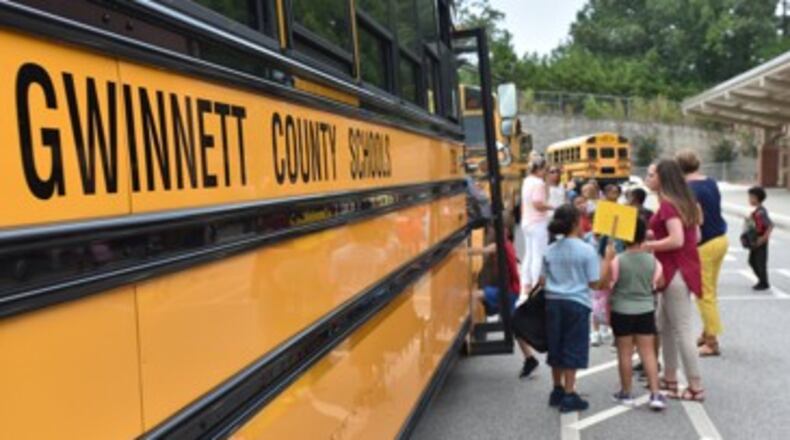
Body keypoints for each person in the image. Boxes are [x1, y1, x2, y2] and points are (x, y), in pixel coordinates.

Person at [643, 160, 705, 402]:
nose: (647, 178)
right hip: (681, 269)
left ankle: (696, 387)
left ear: (662, 178)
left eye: (650, 175)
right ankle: (670, 380)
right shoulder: (683, 201)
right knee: (666, 326)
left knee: (681, 330)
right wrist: (653, 236)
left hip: (674, 270)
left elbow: (677, 239)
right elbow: (695, 235)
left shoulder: (668, 204)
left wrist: (647, 245)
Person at [543, 204, 614, 413]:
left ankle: (556, 389)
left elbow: (541, 279)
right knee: (573, 346)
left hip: (552, 302)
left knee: (555, 345)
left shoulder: (550, 249)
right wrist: (608, 261)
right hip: (576, 303)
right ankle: (569, 393)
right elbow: (595, 284)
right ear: (575, 222)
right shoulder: (586, 250)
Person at [609, 218, 667, 411]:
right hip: (645, 309)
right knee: (648, 353)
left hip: (621, 310)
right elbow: (659, 283)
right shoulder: (653, 261)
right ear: (644, 236)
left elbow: (610, 284)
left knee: (624, 353)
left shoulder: (618, 260)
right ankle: (656, 394)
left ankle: (626, 393)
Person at [470, 222, 540, 378]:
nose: (490, 231)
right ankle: (530, 358)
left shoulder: (500, 245)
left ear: (505, 230)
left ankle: (469, 328)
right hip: (511, 291)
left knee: (474, 295)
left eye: (493, 229)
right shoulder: (508, 244)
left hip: (507, 292)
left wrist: (461, 251)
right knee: (516, 327)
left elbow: (482, 251)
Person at [676, 150, 728, 356]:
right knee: (711, 291)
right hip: (721, 239)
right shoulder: (711, 182)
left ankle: (712, 342)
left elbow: (696, 219)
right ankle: (707, 333)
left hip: (704, 244)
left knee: (703, 294)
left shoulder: (687, 189)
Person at [520, 158, 552, 292]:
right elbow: (538, 204)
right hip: (538, 222)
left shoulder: (527, 181)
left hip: (527, 221)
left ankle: (526, 282)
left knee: (529, 253)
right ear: (539, 169)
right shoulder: (538, 183)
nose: (546, 172)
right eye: (545, 169)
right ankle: (535, 284)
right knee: (538, 255)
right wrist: (553, 207)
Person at [747, 186, 773, 290]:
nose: (749, 200)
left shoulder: (761, 212)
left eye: (750, 197)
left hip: (760, 241)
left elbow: (770, 225)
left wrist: (763, 238)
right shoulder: (757, 211)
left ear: (756, 198)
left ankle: (764, 282)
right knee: (752, 261)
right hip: (755, 240)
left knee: (760, 262)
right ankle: (761, 280)